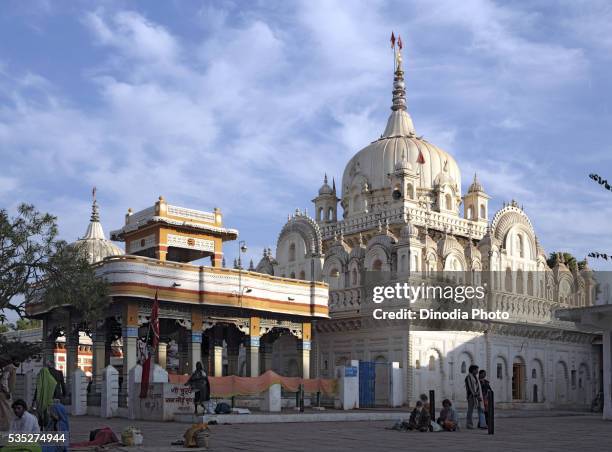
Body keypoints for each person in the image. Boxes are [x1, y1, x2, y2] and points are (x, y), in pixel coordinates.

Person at [1, 357, 18, 431]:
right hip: (5, 394)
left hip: (5, 393)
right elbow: (3, 380)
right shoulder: (10, 368)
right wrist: (6, 392)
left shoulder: (10, 368)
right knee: (7, 411)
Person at [465, 364, 483, 429]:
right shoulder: (469, 377)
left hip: (477, 396)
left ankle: (481, 423)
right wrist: (476, 395)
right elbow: (470, 388)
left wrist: (478, 395)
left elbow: (478, 387)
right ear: (473, 370)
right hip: (471, 396)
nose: (477, 371)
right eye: (476, 370)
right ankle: (469, 424)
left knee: (480, 409)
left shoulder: (475, 377)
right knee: (470, 410)